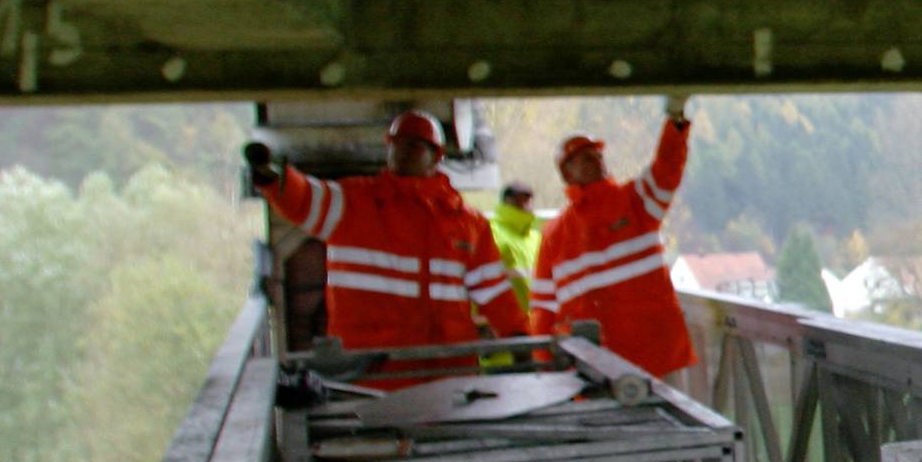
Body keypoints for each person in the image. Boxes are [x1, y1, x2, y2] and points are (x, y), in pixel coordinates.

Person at [246, 110, 529, 386]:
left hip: (447, 373)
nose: (401, 152)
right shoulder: (352, 202)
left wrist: (520, 341)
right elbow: (303, 198)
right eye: (396, 144)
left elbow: (495, 293)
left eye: (413, 145)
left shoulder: (468, 223)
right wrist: (271, 177)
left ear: (437, 156)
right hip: (370, 374)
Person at [531, 95, 697, 381]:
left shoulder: (635, 201)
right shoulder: (554, 235)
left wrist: (675, 123)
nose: (597, 161)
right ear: (567, 172)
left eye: (598, 155)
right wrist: (543, 364)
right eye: (586, 157)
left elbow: (667, 167)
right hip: (593, 366)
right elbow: (543, 306)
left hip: (654, 356)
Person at [486, 181, 543, 313]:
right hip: (506, 319)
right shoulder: (491, 234)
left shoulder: (536, 237)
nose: (526, 203)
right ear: (508, 200)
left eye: (528, 198)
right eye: (520, 198)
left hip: (534, 317)